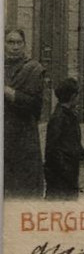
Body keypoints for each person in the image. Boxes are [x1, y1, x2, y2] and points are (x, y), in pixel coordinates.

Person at [4, 27, 45, 198]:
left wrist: (9, 93)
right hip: (4, 136)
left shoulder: (33, 68)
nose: (15, 47)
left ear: (24, 44)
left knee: (23, 187)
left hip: (23, 136)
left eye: (18, 42)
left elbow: (35, 105)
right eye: (10, 42)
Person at [44, 78, 84, 200]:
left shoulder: (69, 115)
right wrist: (64, 169)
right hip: (60, 175)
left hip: (69, 170)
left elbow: (72, 139)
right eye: (77, 94)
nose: (78, 98)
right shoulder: (59, 118)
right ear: (72, 96)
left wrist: (80, 150)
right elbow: (52, 148)